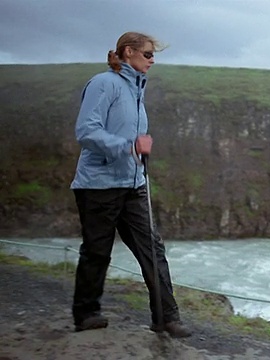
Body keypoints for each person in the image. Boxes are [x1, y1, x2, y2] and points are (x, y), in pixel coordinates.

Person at [70, 31, 191, 338]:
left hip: (131, 182)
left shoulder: (136, 88)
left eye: (154, 56)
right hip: (98, 183)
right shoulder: (104, 83)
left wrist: (137, 149)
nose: (153, 61)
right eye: (148, 54)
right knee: (97, 251)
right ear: (128, 52)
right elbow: (86, 131)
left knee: (152, 248)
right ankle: (86, 313)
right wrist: (129, 146)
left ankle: (165, 317)